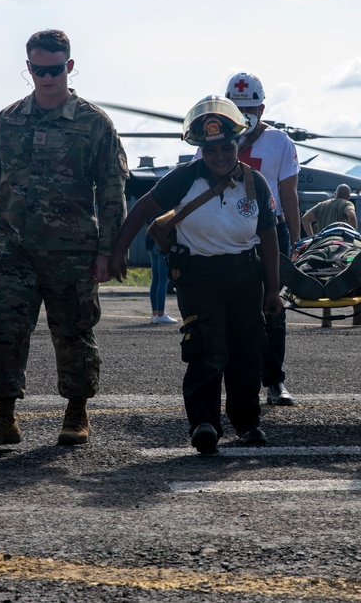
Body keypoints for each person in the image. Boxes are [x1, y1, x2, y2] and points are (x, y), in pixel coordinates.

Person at [0, 29, 129, 448]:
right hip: (15, 247)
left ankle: (76, 413)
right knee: (2, 329)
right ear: (28, 67)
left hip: (72, 250)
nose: (46, 78)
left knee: (74, 334)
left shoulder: (93, 123)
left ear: (68, 67)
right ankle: (3, 418)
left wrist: (110, 250)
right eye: (37, 70)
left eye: (54, 70)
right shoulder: (8, 120)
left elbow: (110, 191)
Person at [108, 96, 280, 454]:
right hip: (199, 275)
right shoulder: (183, 179)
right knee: (207, 347)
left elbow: (268, 236)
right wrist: (118, 251)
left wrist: (272, 290)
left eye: (227, 147)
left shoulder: (256, 183)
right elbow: (142, 209)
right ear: (201, 149)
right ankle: (204, 423)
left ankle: (248, 423)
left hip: (246, 275)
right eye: (211, 149)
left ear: (238, 145)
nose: (220, 155)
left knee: (248, 350)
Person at [224, 72, 300, 406]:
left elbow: (290, 196)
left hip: (272, 232)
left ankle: (274, 382)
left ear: (263, 107)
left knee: (273, 307)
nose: (245, 113)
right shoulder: (215, 137)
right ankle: (243, 384)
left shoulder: (281, 142)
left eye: (251, 107)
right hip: (228, 232)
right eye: (238, 107)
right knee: (235, 310)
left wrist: (297, 244)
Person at [299, 184, 361, 325]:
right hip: (344, 244)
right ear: (347, 196)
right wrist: (353, 234)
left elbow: (305, 218)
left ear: (335, 194)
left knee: (321, 269)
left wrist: (314, 237)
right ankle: (358, 314)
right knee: (356, 268)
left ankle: (326, 317)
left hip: (323, 244)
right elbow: (351, 215)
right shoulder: (346, 203)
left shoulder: (322, 204)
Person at [280, 222, 361, 301]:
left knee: (309, 259)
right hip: (352, 245)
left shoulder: (313, 240)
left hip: (320, 245)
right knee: (353, 260)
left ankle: (303, 275)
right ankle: (356, 284)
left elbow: (297, 255)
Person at [145, 219, 178, 324]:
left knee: (156, 280)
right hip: (162, 242)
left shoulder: (152, 204)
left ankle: (155, 314)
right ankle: (160, 314)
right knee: (163, 280)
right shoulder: (166, 206)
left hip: (150, 241)